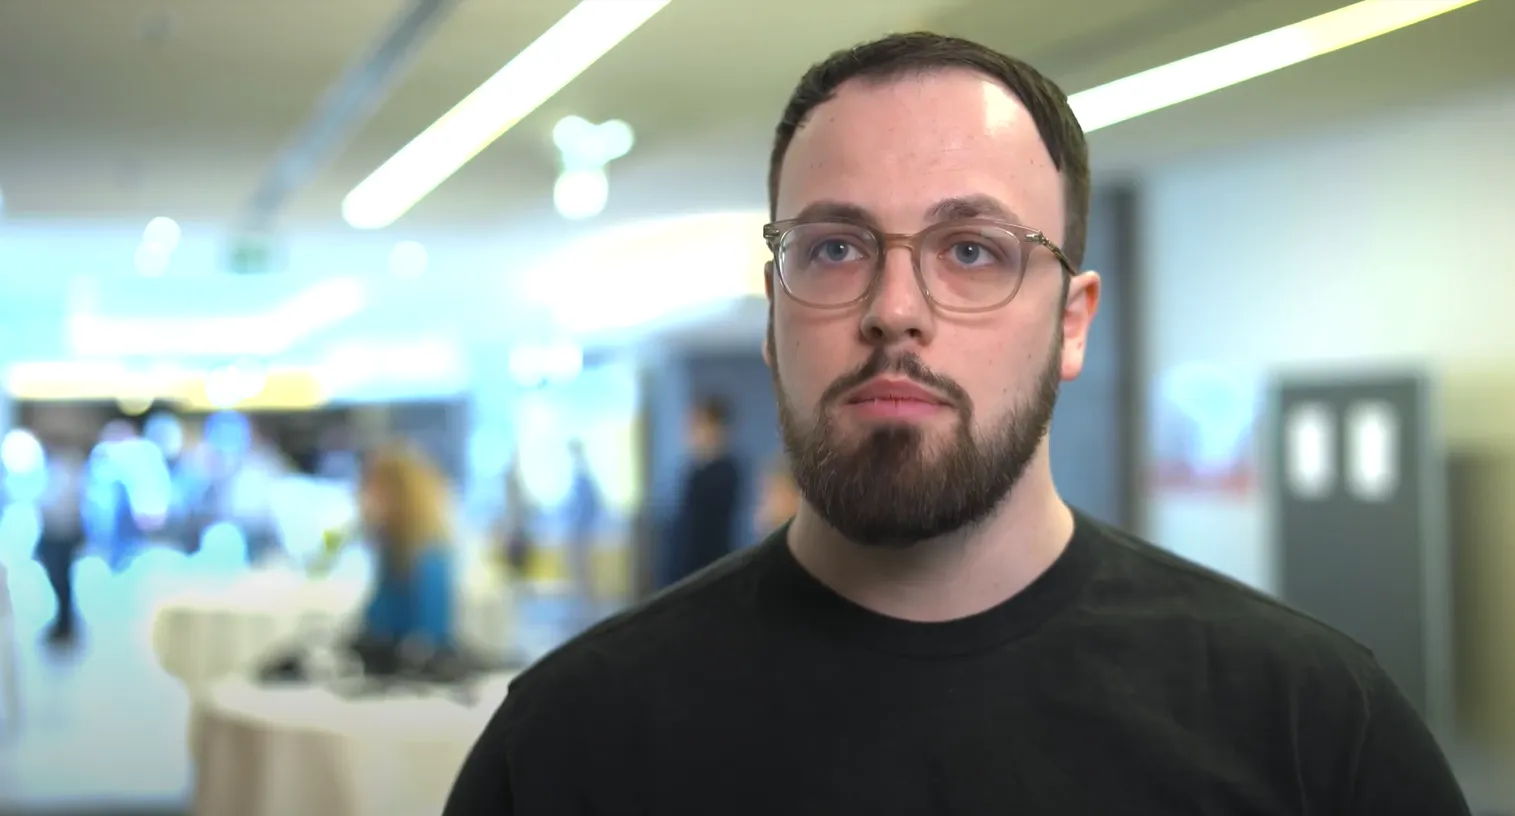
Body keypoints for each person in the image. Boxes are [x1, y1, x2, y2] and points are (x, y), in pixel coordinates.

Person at [443, 33, 1470, 815]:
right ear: (772, 316)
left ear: (1072, 324)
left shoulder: (1311, 726)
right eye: (834, 249)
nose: (895, 309)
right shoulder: (570, 741)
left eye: (972, 250)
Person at [355, 443, 456, 658]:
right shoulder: (390, 552)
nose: (365, 500)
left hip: (415, 670)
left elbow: (428, 638)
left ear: (401, 497)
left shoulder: (428, 557)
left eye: (375, 490)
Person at [663, 395, 741, 586]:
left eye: (698, 425)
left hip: (707, 571)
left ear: (715, 428)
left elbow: (703, 530)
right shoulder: (694, 472)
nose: (691, 433)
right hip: (686, 573)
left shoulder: (724, 473)